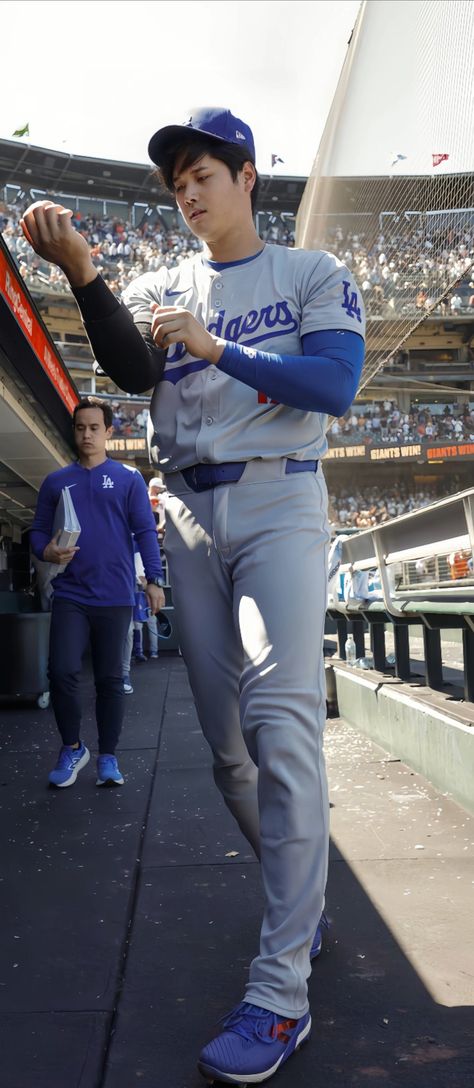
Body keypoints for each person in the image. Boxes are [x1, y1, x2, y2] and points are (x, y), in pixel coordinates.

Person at [21, 106, 365, 1084]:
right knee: (228, 759)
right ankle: (305, 903)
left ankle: (279, 992)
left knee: (281, 723)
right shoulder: (163, 281)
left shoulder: (308, 272)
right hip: (190, 513)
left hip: (281, 503)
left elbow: (334, 386)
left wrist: (221, 350)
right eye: (175, 178)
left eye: (202, 170)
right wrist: (85, 271)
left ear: (248, 175)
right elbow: (131, 368)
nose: (186, 188)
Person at [30, 397, 165, 788]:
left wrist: (153, 580)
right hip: (71, 592)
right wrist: (46, 550)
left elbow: (144, 532)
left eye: (94, 428)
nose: (86, 435)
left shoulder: (128, 479)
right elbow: (38, 531)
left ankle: (108, 756)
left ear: (109, 432)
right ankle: (72, 748)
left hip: (117, 595)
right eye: (80, 428)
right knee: (61, 671)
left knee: (110, 680)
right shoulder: (56, 481)